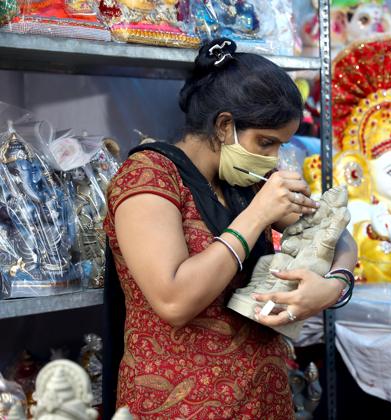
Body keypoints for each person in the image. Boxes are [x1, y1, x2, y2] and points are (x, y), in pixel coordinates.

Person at [103, 38, 357, 418]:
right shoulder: (149, 177)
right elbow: (174, 300)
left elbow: (335, 232)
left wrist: (333, 286)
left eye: (280, 146)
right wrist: (256, 215)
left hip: (264, 398)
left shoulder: (246, 179)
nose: (273, 158)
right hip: (178, 404)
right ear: (224, 126)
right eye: (266, 143)